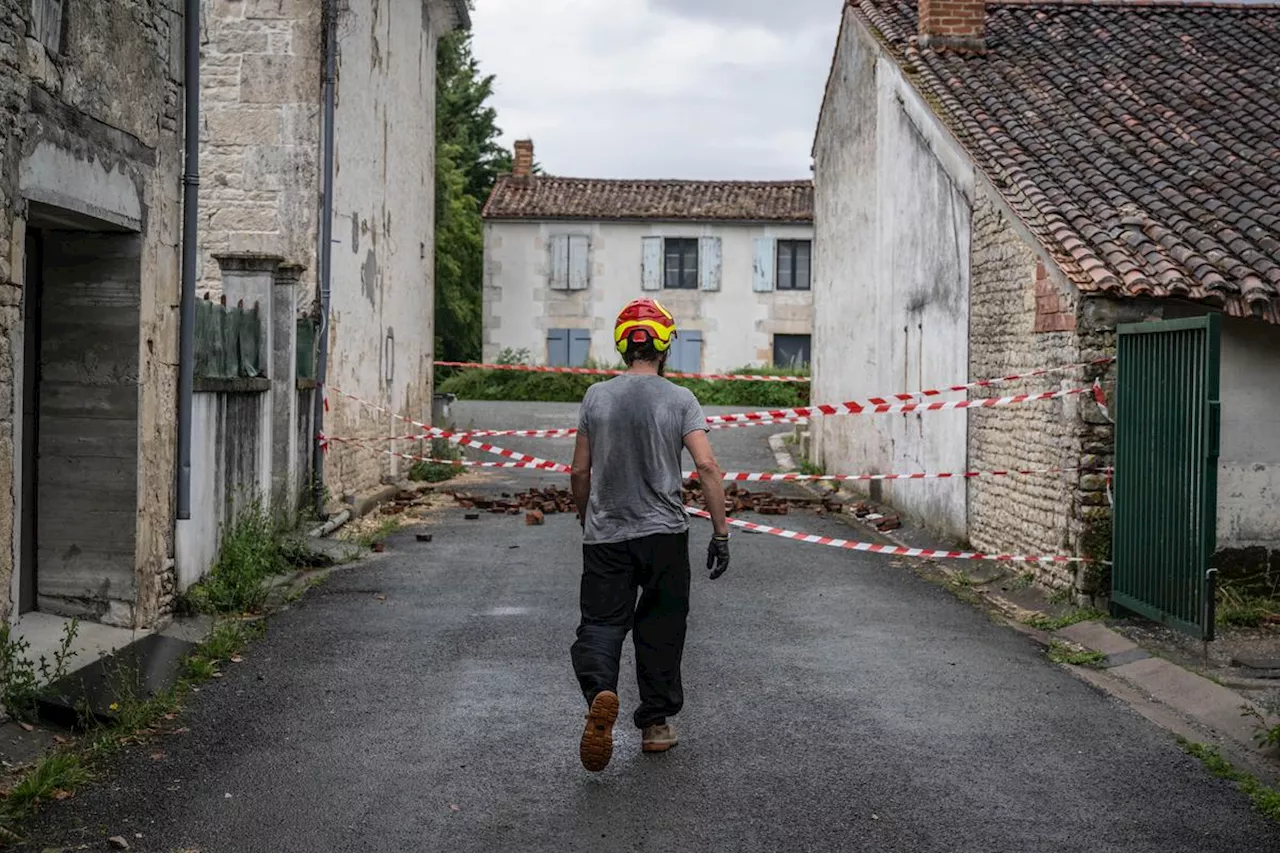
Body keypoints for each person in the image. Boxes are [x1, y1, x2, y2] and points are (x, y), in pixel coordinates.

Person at [569, 298, 731, 773]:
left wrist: (587, 515)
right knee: (661, 628)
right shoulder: (680, 399)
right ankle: (655, 726)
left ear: (623, 345)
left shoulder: (595, 397)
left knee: (600, 623)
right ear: (664, 346)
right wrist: (720, 533)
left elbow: (580, 470)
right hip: (664, 535)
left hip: (606, 536)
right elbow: (706, 466)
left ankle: (601, 688)